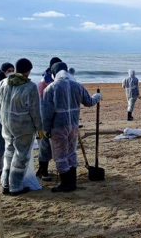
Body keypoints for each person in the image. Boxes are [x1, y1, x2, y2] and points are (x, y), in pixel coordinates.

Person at [41, 62, 101, 193]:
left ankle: (65, 183)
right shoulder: (77, 86)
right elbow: (89, 102)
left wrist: (45, 129)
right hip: (73, 125)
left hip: (58, 126)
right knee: (71, 152)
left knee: (60, 154)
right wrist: (98, 96)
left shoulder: (51, 88)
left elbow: (47, 113)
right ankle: (72, 181)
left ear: (54, 73)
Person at [0, 58, 43, 196]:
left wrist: (2, 119)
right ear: (28, 71)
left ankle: (5, 184)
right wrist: (39, 128)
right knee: (21, 156)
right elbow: (35, 111)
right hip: (23, 126)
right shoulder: (29, 86)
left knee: (9, 153)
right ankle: (15, 186)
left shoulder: (4, 83)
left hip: (6, 123)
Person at [36, 57, 62, 182]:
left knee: (50, 145)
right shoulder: (44, 82)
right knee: (44, 144)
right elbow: (43, 104)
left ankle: (42, 169)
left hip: (55, 116)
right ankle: (43, 170)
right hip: (44, 117)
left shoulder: (55, 79)